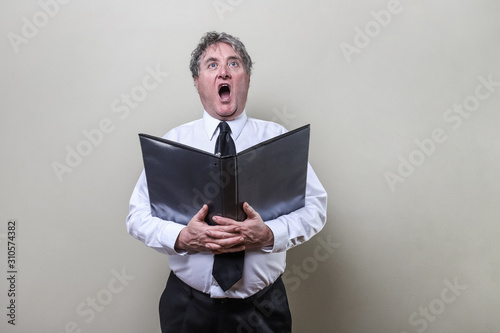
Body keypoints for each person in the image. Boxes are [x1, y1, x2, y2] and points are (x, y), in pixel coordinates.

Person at [127, 31, 327, 333]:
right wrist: (182, 237)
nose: (223, 71)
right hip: (186, 308)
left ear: (246, 78)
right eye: (211, 65)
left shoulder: (277, 140)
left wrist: (269, 234)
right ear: (197, 81)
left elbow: (315, 208)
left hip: (263, 310)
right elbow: (137, 217)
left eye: (234, 64)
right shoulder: (174, 144)